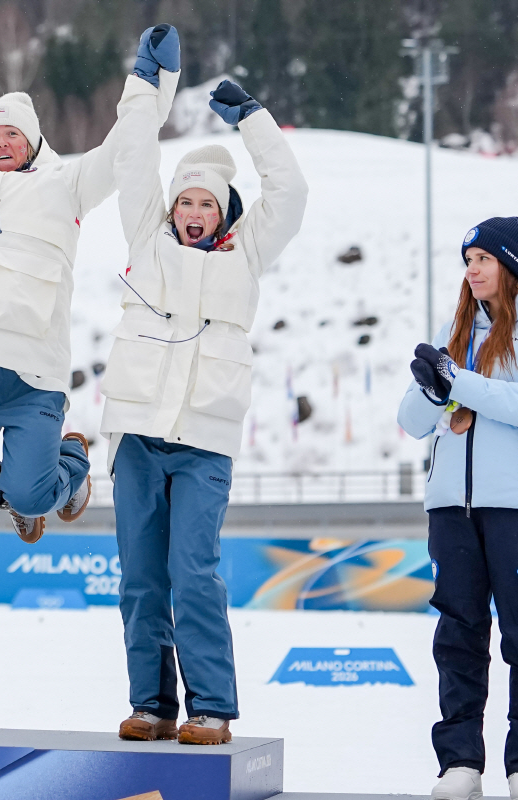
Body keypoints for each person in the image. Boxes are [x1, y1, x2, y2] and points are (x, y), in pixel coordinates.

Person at [100, 25, 308, 746]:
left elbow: (292, 188)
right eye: (185, 202)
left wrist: (251, 119)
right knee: (139, 582)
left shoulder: (247, 254)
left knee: (193, 573)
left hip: (202, 442)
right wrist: (146, 86)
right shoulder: (144, 238)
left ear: (224, 212)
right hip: (136, 437)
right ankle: (152, 704)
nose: (192, 214)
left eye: (205, 205)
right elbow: (130, 155)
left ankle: (211, 706)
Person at [0, 28, 171, 545]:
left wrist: (148, 80)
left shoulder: (65, 186)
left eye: (12, 135)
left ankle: (68, 466)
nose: (1, 144)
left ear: (32, 141)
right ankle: (15, 487)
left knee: (33, 495)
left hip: (33, 380)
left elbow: (125, 147)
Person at [399, 217, 518, 800]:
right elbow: (412, 424)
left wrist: (458, 383)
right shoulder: (455, 331)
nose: (472, 269)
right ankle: (460, 762)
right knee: (458, 636)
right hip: (451, 508)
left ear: (511, 266)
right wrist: (433, 390)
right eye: (468, 259)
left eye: (484, 258)